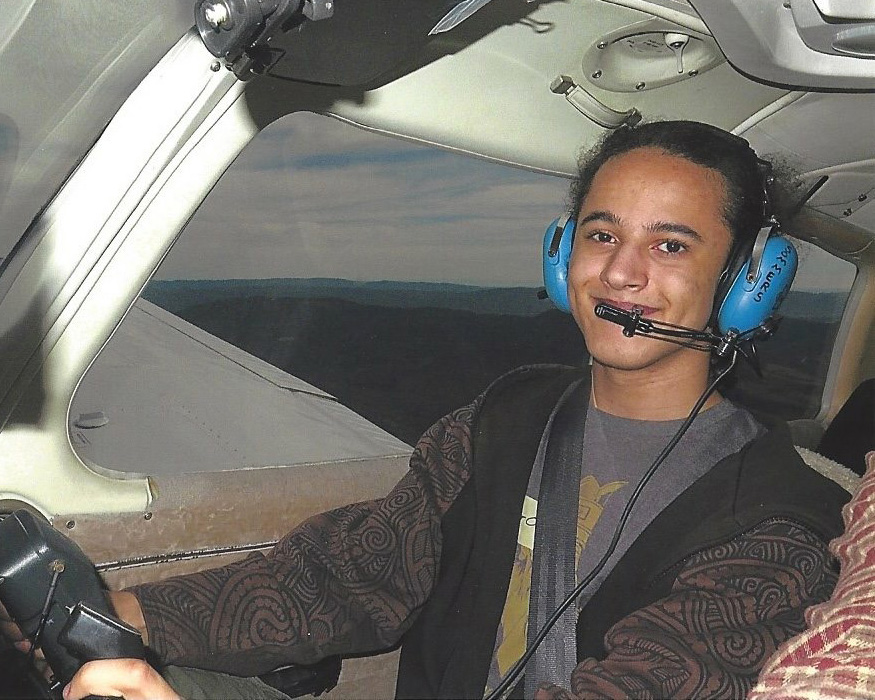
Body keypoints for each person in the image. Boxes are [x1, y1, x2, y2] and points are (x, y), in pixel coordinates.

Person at [2, 121, 852, 699]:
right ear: (563, 260)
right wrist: (127, 612)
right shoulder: (504, 419)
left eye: (670, 244)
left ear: (748, 282)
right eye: (600, 234)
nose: (621, 275)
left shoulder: (782, 526)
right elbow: (351, 575)